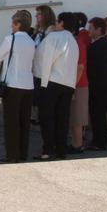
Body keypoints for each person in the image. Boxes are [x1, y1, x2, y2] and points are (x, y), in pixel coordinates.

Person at [33, 12, 79, 161]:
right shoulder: (73, 41)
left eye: (58, 21)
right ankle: (61, 150)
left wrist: (42, 83)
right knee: (62, 118)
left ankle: (48, 150)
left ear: (62, 23)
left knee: (46, 117)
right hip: (68, 84)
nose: (55, 24)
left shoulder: (54, 37)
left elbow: (45, 60)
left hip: (50, 82)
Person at [0, 11, 36, 163]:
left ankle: (12, 154)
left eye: (13, 23)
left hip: (13, 83)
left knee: (11, 121)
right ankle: (23, 153)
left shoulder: (10, 39)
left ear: (18, 24)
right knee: (24, 121)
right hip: (28, 84)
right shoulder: (31, 41)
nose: (11, 26)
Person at [87, 17, 107, 151]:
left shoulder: (101, 45)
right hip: (98, 83)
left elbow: (96, 66)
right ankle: (97, 140)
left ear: (98, 30)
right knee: (95, 113)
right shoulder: (99, 44)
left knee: (98, 113)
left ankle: (100, 142)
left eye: (91, 28)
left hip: (99, 84)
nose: (88, 31)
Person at [31, 5, 57, 123]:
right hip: (35, 69)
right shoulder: (38, 30)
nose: (36, 16)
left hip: (45, 71)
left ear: (46, 15)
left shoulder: (51, 30)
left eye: (39, 14)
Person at [69, 12, 90, 153]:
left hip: (79, 84)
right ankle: (75, 143)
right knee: (74, 117)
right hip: (74, 83)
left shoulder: (78, 43)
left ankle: (78, 145)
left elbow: (80, 67)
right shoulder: (74, 42)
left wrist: (73, 85)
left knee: (77, 117)